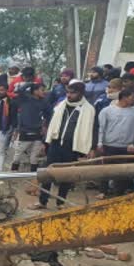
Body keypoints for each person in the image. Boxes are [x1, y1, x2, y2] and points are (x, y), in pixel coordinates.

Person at [32, 81, 96, 209]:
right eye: (68, 92)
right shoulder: (61, 105)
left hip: (72, 147)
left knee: (66, 176)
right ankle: (42, 201)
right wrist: (46, 142)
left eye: (73, 93)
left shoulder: (89, 109)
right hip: (55, 144)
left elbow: (92, 129)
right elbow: (52, 124)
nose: (69, 95)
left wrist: (91, 148)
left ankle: (60, 203)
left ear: (81, 93)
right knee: (48, 173)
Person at [96, 89, 134, 198]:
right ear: (124, 98)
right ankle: (103, 191)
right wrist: (100, 143)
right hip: (109, 145)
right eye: (132, 97)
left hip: (127, 147)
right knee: (106, 170)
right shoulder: (107, 111)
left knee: (123, 172)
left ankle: (118, 194)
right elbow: (101, 128)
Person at [11, 83, 51, 172]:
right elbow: (20, 90)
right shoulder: (25, 98)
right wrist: (31, 83)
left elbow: (49, 114)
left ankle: (33, 176)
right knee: (18, 154)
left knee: (34, 156)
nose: (44, 92)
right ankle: (13, 173)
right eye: (42, 90)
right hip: (25, 131)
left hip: (38, 132)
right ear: (35, 91)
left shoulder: (44, 102)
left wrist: (45, 125)